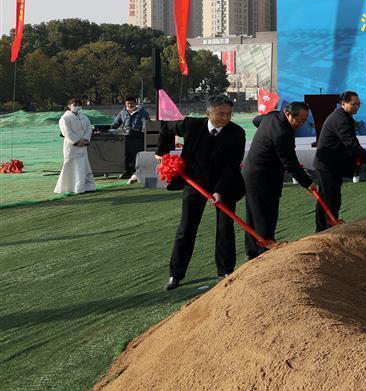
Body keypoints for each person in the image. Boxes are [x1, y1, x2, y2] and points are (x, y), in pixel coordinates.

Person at [156, 95, 246, 290]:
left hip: (225, 184)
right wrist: (161, 152)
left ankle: (225, 271)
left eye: (228, 114)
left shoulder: (237, 133)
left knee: (225, 227)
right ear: (208, 113)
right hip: (195, 182)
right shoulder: (191, 125)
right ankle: (175, 275)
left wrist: (220, 191)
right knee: (186, 228)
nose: (225, 118)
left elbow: (232, 166)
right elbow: (167, 128)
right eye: (220, 114)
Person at [243, 101, 313, 259]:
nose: (301, 124)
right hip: (262, 176)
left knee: (255, 214)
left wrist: (266, 133)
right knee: (263, 215)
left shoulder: (272, 116)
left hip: (254, 172)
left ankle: (253, 252)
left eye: (304, 121)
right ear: (288, 114)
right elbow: (290, 162)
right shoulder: (282, 133)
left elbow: (256, 120)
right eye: (299, 120)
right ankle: (264, 252)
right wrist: (308, 183)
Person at [313, 90, 366, 230]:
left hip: (333, 164)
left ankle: (326, 226)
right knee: (329, 198)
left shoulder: (345, 117)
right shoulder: (341, 119)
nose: (357, 107)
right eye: (354, 104)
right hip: (327, 165)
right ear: (343, 103)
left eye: (359, 104)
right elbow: (352, 145)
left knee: (332, 197)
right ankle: (325, 229)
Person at [54, 98, 96, 195]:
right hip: (71, 146)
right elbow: (66, 132)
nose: (77, 107)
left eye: (79, 105)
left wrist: (85, 139)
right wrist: (76, 141)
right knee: (72, 164)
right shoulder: (65, 118)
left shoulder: (84, 117)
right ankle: (69, 187)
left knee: (83, 165)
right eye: (75, 105)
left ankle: (85, 186)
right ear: (69, 106)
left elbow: (89, 129)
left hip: (83, 145)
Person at [111, 96, 150, 180]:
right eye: (128, 104)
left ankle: (138, 172)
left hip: (138, 137)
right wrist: (114, 130)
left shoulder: (142, 112)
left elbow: (146, 124)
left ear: (135, 103)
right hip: (125, 138)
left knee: (137, 155)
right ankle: (127, 172)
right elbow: (115, 124)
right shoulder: (123, 112)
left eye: (131, 103)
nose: (129, 105)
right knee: (126, 155)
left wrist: (143, 130)